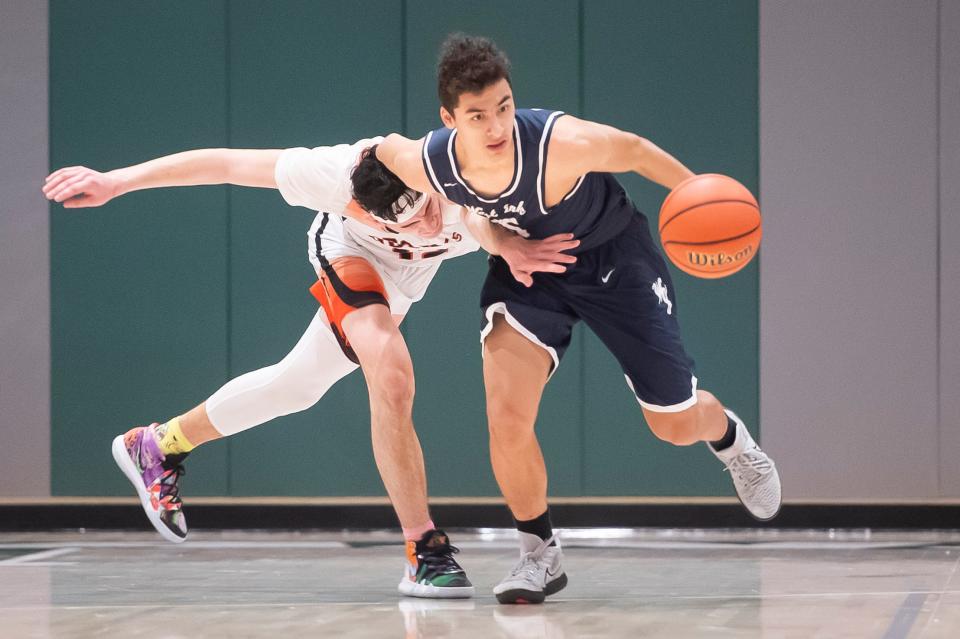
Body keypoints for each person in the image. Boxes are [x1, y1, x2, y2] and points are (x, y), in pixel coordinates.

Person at [42, 137, 578, 599]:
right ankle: (425, 549)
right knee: (391, 374)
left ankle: (158, 444)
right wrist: (116, 181)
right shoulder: (328, 175)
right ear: (360, 206)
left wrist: (508, 245)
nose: (427, 225)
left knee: (297, 386)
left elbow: (492, 214)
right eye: (408, 221)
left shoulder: (453, 176)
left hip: (403, 282)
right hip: (350, 254)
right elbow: (222, 164)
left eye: (429, 210)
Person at [375, 33, 782, 604]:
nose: (496, 127)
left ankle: (731, 440)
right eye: (478, 116)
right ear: (449, 119)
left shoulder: (560, 142)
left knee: (672, 423)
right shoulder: (427, 158)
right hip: (531, 272)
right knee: (506, 416)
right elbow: (394, 163)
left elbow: (636, 150)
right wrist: (502, 245)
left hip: (616, 261)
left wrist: (699, 193)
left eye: (504, 108)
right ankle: (538, 554)